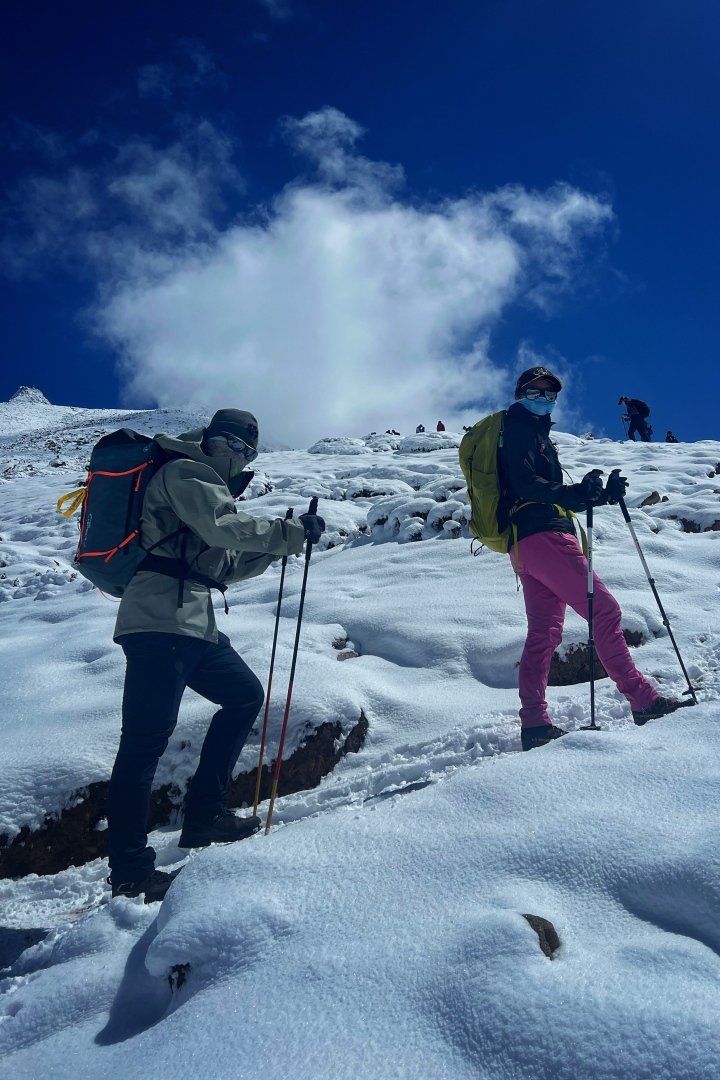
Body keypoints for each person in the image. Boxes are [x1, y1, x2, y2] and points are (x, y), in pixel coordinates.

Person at [107, 408, 325, 902]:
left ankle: (205, 816)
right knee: (144, 743)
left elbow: (223, 566)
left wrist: (279, 545)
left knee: (244, 696)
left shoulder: (210, 489)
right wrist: (283, 534)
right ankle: (129, 871)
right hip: (158, 623)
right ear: (209, 441)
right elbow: (224, 527)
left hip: (193, 623)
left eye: (246, 450)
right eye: (229, 443)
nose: (236, 455)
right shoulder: (186, 472)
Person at [498, 367, 692, 751]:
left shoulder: (531, 433)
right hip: (544, 535)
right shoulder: (519, 429)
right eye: (535, 392)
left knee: (543, 635)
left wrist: (597, 494)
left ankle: (535, 724)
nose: (543, 399)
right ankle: (643, 701)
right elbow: (526, 485)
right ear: (520, 392)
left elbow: (546, 488)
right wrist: (575, 494)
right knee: (604, 610)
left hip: (525, 544)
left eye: (549, 395)